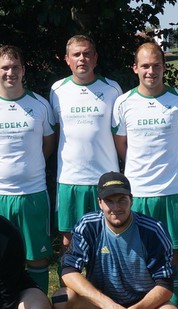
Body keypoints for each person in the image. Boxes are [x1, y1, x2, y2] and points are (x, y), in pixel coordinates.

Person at [52, 172, 178, 309]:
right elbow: (69, 271)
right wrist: (109, 306)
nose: (116, 207)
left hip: (142, 308)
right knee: (61, 299)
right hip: (101, 306)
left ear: (132, 200)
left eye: (122, 200)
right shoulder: (88, 225)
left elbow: (164, 286)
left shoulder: (153, 229)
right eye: (109, 201)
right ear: (100, 202)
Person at [112, 41, 178, 305]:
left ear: (164, 67)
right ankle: (140, 308)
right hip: (138, 191)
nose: (151, 71)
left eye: (156, 65)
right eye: (145, 66)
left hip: (172, 190)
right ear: (135, 68)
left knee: (174, 253)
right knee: (137, 252)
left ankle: (173, 308)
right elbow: (122, 145)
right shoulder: (123, 102)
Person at [0, 45, 56, 292]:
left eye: (15, 67)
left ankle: (39, 306)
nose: (11, 73)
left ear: (23, 70)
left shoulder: (40, 104)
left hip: (33, 192)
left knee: (37, 258)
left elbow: (48, 144)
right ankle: (3, 307)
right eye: (5, 67)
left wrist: (28, 166)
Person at [49, 35, 123, 249]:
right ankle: (71, 273)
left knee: (109, 237)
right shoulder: (57, 90)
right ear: (67, 59)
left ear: (95, 58)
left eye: (87, 54)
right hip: (70, 178)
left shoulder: (112, 88)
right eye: (76, 54)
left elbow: (119, 134)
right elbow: (55, 133)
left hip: (105, 178)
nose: (82, 58)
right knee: (69, 239)